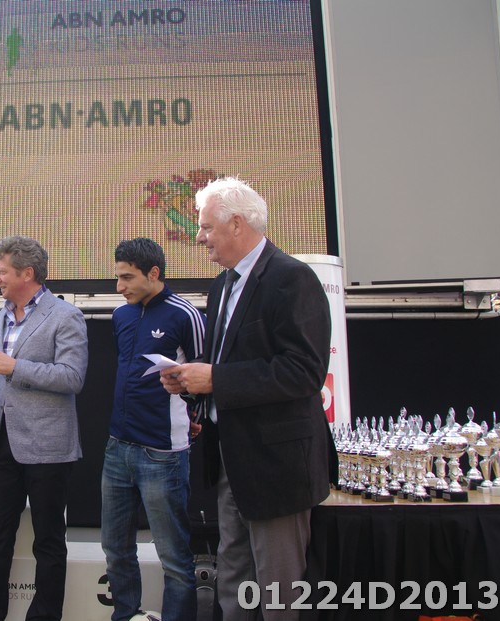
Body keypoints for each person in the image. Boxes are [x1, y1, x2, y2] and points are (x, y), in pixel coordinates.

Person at [160, 178, 336, 621]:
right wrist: (191, 382)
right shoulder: (222, 286)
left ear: (236, 223)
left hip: (276, 467)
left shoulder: (292, 278)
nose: (199, 238)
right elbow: (227, 362)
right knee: (233, 583)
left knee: (279, 592)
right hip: (229, 460)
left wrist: (215, 379)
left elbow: (304, 372)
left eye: (206, 228)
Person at [0, 236, 89, 621]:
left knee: (49, 541)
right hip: (1, 442)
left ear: (27, 273)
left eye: (2, 271)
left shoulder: (65, 316)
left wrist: (16, 367)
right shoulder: (3, 314)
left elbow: (72, 377)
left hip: (48, 446)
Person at [102, 238, 206, 621]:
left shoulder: (186, 314)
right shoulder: (121, 315)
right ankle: (125, 616)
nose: (120, 287)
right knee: (116, 550)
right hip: (117, 448)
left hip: (162, 453)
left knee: (174, 559)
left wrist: (195, 415)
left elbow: (206, 376)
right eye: (118, 277)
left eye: (127, 278)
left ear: (154, 273)